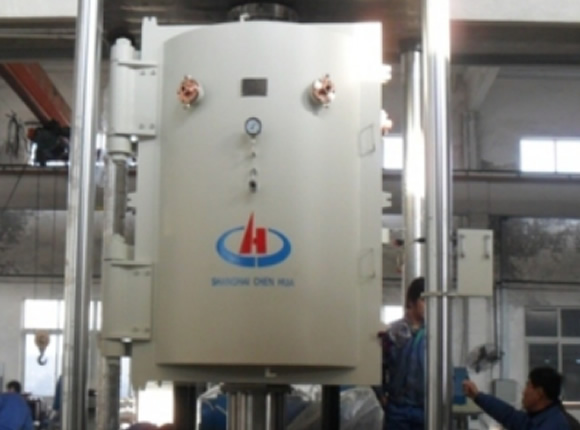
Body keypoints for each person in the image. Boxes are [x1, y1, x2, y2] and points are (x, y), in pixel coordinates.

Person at [463, 367, 580, 430]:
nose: (524, 392)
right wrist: (477, 395)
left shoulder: (555, 425)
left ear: (539, 393)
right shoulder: (538, 418)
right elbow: (508, 414)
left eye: (528, 386)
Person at [378, 277, 425, 430]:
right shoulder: (393, 332)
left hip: (424, 409)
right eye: (424, 300)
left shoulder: (434, 335)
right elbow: (376, 365)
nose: (428, 306)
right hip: (397, 409)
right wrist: (381, 394)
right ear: (412, 301)